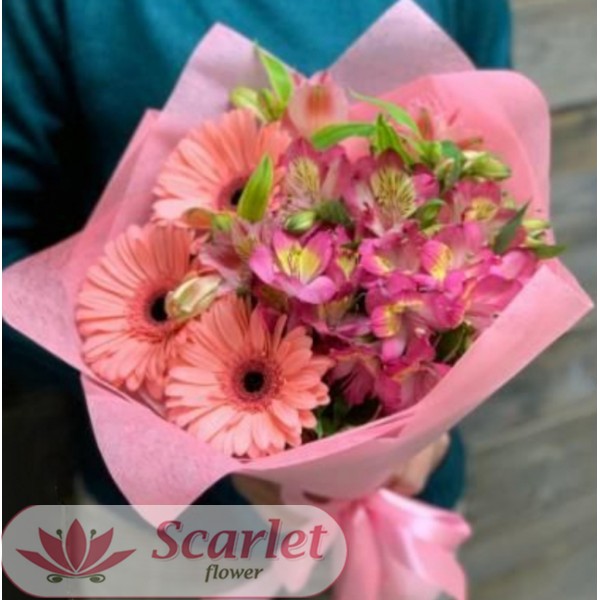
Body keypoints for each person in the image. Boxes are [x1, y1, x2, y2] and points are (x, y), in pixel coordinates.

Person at [3, 0, 511, 510]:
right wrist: (173, 407)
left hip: (412, 497)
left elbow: (488, 176)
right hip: (168, 522)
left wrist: (429, 407)